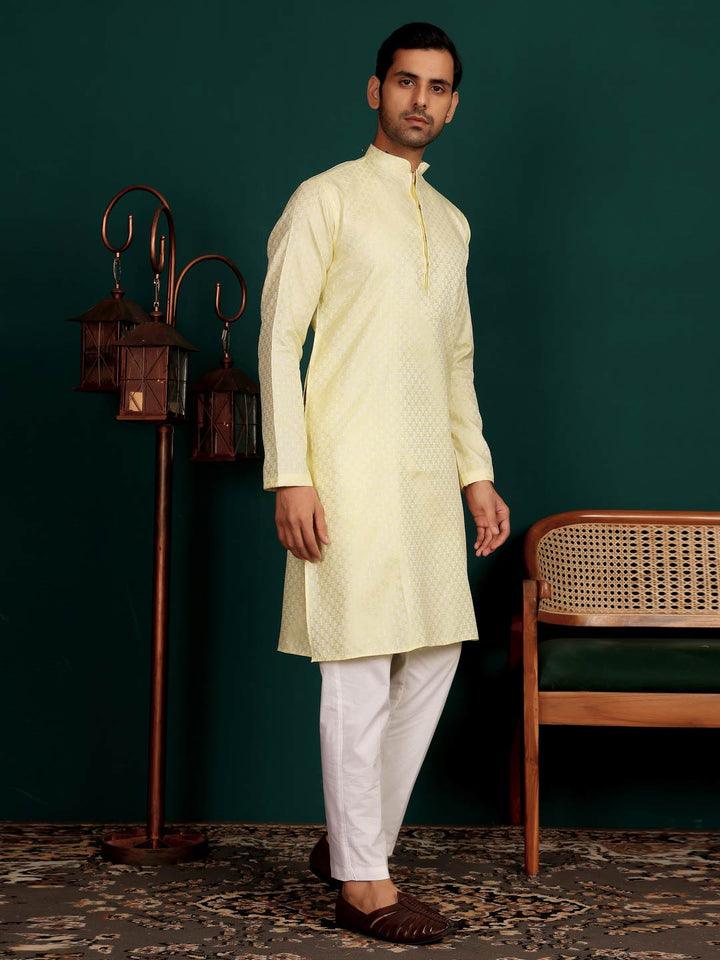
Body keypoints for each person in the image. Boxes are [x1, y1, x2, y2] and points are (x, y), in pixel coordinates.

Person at [258, 21, 510, 945]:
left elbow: (456, 359)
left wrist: (476, 474)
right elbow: (279, 339)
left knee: (435, 656)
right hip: (345, 468)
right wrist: (291, 474)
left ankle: (352, 842)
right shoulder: (325, 198)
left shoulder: (452, 223)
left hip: (427, 474)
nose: (420, 101)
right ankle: (364, 884)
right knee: (359, 664)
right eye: (406, 82)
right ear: (376, 91)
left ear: (453, 104)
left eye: (437, 88)